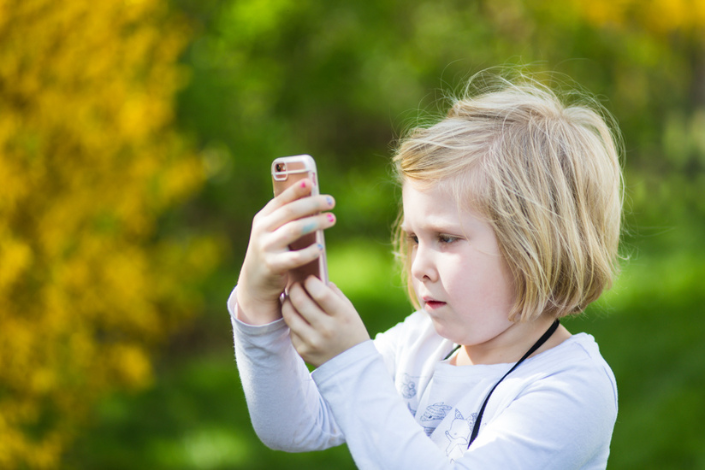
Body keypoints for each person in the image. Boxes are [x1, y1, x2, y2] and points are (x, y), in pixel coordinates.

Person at [229, 71, 623, 469]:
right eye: (415, 238)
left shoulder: (572, 389)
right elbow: (293, 426)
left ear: (535, 245)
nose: (418, 266)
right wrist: (256, 300)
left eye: (446, 239)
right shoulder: (422, 343)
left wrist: (349, 363)